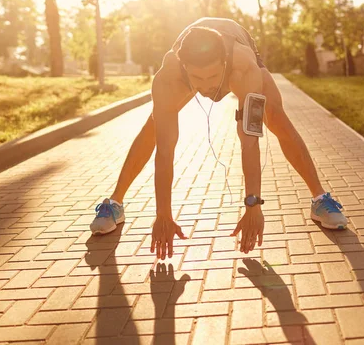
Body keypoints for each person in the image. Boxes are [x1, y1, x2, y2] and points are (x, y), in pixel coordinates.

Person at [90, 17, 348, 259]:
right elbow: (165, 152)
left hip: (238, 42)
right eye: (197, 79)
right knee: (154, 128)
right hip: (195, 53)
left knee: (276, 116)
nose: (206, 87)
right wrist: (163, 215)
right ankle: (114, 204)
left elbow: (249, 140)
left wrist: (253, 206)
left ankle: (320, 199)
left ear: (224, 63)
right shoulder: (168, 78)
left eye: (212, 77)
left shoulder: (244, 68)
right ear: (183, 67)